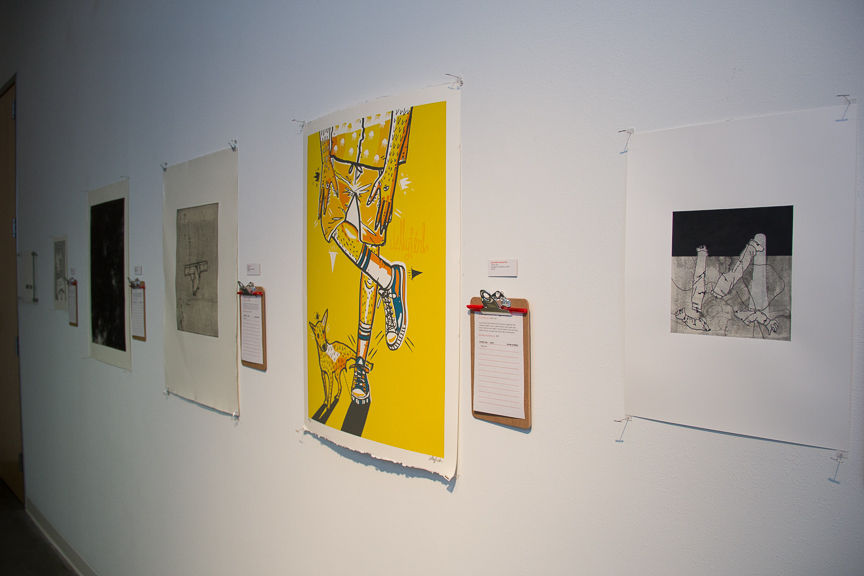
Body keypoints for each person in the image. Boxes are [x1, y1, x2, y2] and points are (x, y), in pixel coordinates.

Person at [316, 108, 413, 404]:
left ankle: (360, 364)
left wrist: (390, 170)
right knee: (330, 225)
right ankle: (389, 277)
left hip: (377, 158)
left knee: (370, 252)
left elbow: (403, 109)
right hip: (339, 154)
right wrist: (325, 158)